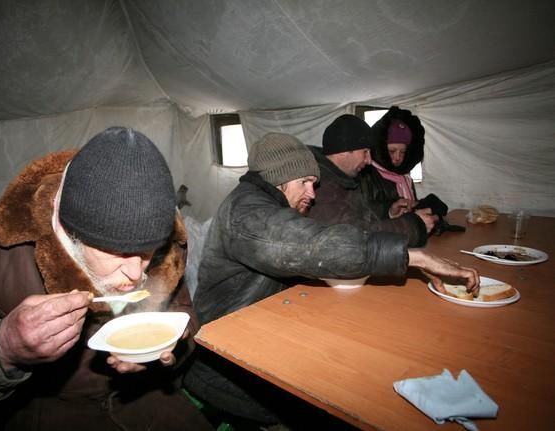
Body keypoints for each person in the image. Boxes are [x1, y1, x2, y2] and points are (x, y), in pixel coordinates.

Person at [184, 132, 479, 427]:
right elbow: (310, 245)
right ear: (279, 179)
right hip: (226, 363)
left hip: (266, 327)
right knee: (344, 396)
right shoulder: (247, 213)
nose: (313, 194)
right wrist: (413, 256)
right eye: (305, 183)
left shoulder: (272, 204)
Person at [0, 127, 213, 431]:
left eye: (148, 252)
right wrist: (3, 347)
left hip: (142, 396)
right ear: (70, 232)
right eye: (119, 252)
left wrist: (168, 347)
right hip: (38, 409)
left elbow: (183, 316)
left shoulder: (167, 247)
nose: (137, 273)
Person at [308, 114, 437, 247]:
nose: (369, 160)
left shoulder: (342, 179)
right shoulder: (321, 187)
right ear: (343, 151)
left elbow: (358, 213)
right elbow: (355, 239)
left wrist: (389, 212)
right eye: (365, 152)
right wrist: (414, 226)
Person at [363, 106, 461, 234]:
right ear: (380, 148)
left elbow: (411, 207)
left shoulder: (404, 177)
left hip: (410, 238)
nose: (398, 157)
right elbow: (367, 216)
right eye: (392, 151)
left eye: (403, 152)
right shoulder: (368, 176)